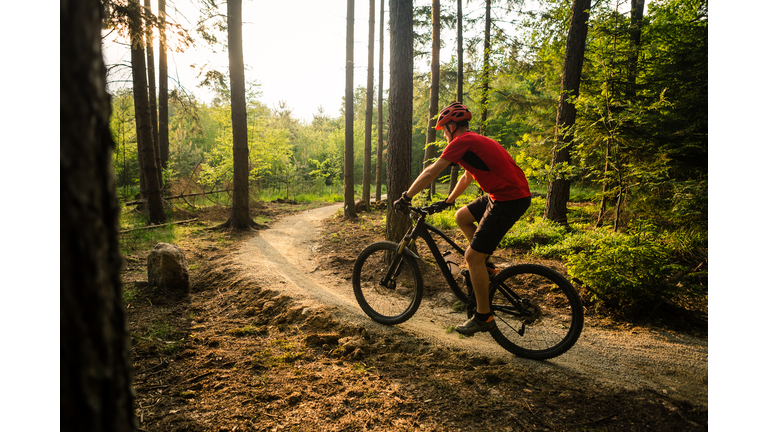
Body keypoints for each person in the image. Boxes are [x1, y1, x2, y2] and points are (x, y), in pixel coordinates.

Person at [393, 102, 532, 336]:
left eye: (444, 130)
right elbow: (468, 176)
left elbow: (431, 171)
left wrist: (406, 196)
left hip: (509, 199)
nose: (444, 135)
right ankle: (485, 264)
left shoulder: (462, 142)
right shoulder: (476, 142)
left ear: (451, 126)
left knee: (471, 257)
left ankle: (483, 316)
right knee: (462, 216)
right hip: (503, 194)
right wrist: (449, 200)